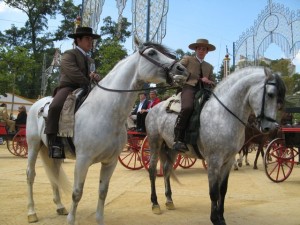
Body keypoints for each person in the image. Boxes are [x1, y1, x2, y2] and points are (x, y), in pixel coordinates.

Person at [45, 26, 101, 159]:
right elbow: (73, 73)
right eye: (87, 38)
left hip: (87, 88)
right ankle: (54, 142)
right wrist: (88, 79)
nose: (90, 41)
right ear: (78, 40)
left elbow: (90, 75)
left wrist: (96, 77)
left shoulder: (90, 59)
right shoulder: (69, 54)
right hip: (69, 88)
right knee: (55, 107)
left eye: (91, 39)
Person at [173, 38, 216, 152]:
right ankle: (178, 139)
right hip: (189, 87)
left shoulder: (209, 66)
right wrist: (199, 78)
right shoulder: (187, 59)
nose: (201, 51)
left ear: (207, 52)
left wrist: (209, 81)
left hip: (205, 91)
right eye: (199, 48)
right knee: (188, 108)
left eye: (204, 49)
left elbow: (213, 82)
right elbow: (178, 69)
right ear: (196, 50)